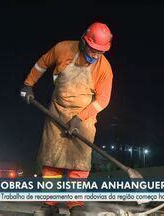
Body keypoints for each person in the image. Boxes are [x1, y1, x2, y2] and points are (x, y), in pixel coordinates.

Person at [20, 22, 114, 216]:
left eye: (100, 52)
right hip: (57, 111)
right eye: (93, 49)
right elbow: (41, 64)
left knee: (79, 164)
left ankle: (75, 205)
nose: (95, 55)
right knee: (52, 160)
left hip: (85, 116)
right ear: (83, 41)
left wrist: (80, 118)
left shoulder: (104, 68)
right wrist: (28, 84)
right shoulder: (63, 48)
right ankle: (50, 205)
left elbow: (103, 99)